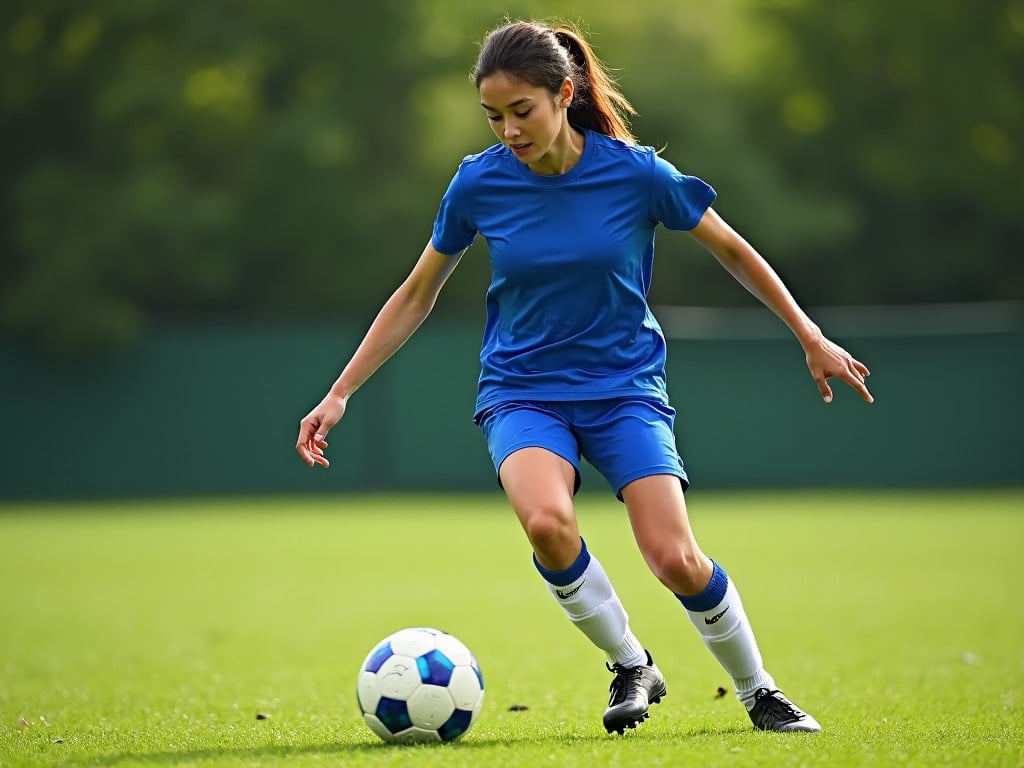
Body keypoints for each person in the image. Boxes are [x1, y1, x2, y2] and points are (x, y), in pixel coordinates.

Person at [296, 19, 873, 735]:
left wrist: (808, 333)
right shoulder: (478, 184)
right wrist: (340, 390)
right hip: (523, 390)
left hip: (625, 389)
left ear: (564, 93)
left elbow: (732, 249)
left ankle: (759, 691)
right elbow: (417, 293)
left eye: (521, 111)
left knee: (676, 559)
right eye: (493, 116)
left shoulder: (635, 173)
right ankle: (631, 661)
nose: (508, 130)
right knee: (546, 522)